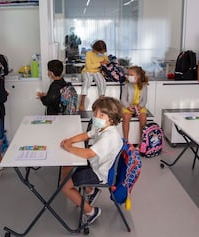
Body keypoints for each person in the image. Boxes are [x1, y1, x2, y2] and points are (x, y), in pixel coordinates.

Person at [60, 96, 123, 225]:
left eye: (102, 115)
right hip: (95, 164)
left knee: (64, 186)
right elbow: (86, 135)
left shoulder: (110, 137)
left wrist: (69, 148)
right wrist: (70, 140)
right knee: (67, 164)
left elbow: (88, 153)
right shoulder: (102, 127)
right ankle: (91, 191)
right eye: (95, 114)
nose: (96, 117)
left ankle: (91, 212)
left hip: (99, 173)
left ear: (111, 119)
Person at [79, 40, 109, 111]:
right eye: (101, 52)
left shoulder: (103, 55)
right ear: (96, 49)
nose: (102, 53)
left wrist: (103, 62)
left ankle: (101, 104)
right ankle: (82, 103)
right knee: (87, 81)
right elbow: (89, 66)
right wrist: (100, 63)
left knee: (102, 82)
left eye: (103, 52)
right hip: (87, 71)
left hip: (97, 72)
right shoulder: (89, 53)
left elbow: (107, 61)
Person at [121, 66, 149, 142]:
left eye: (131, 75)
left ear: (138, 76)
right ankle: (126, 141)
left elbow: (144, 100)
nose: (129, 76)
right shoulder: (126, 85)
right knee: (126, 117)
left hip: (140, 107)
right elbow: (123, 100)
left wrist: (140, 107)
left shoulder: (144, 86)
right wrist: (128, 106)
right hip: (128, 107)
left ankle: (141, 141)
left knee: (143, 117)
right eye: (128, 74)